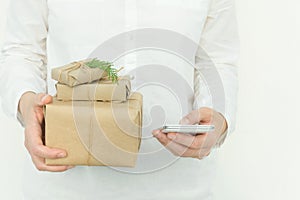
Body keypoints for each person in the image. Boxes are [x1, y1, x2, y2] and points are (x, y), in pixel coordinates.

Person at [0, 0, 239, 199]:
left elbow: (217, 58)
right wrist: (27, 104)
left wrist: (217, 117)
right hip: (65, 185)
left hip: (180, 187)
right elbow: (22, 50)